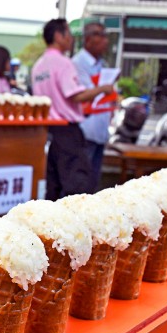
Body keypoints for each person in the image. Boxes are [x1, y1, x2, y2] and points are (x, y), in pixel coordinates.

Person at [30, 18, 116, 201]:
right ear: (58, 36)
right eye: (68, 34)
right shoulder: (63, 63)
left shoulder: (38, 66)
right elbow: (75, 95)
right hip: (68, 131)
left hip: (48, 130)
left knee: (53, 188)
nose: (71, 39)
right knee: (76, 190)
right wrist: (103, 89)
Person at [72, 22, 112, 193]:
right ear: (89, 39)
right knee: (80, 184)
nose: (106, 40)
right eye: (101, 35)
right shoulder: (77, 63)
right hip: (85, 131)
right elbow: (83, 94)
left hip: (99, 132)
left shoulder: (102, 63)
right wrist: (103, 89)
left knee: (93, 185)